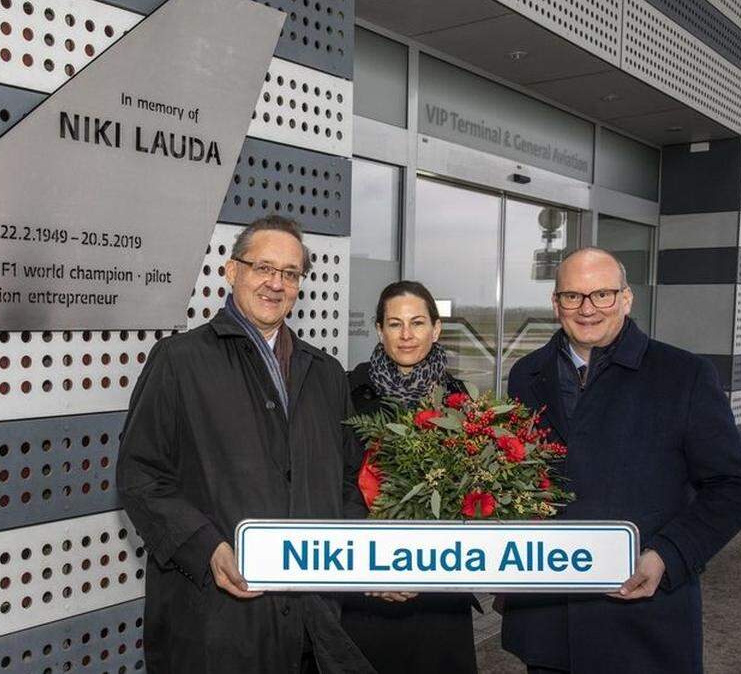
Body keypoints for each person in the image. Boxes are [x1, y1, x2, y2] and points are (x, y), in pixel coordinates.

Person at [116, 215, 373, 673]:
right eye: (263, 268)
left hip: (311, 627)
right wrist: (208, 547)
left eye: (290, 274)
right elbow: (140, 477)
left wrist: (355, 552)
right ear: (232, 271)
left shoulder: (327, 375)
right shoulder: (178, 362)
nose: (276, 284)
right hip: (217, 626)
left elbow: (348, 481)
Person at [501, 247, 741, 673]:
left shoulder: (684, 375)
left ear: (626, 298)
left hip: (642, 621)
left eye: (601, 294)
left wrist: (667, 554)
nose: (587, 309)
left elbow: (735, 488)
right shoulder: (526, 375)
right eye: (572, 296)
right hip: (549, 625)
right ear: (555, 303)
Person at [343, 280, 479, 673]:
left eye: (418, 323)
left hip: (439, 591)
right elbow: (332, 480)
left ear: (436, 329)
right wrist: (372, 566)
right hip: (363, 585)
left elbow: (473, 491)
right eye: (394, 323)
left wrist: (425, 565)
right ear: (379, 329)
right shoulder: (348, 392)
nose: (406, 335)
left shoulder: (463, 401)